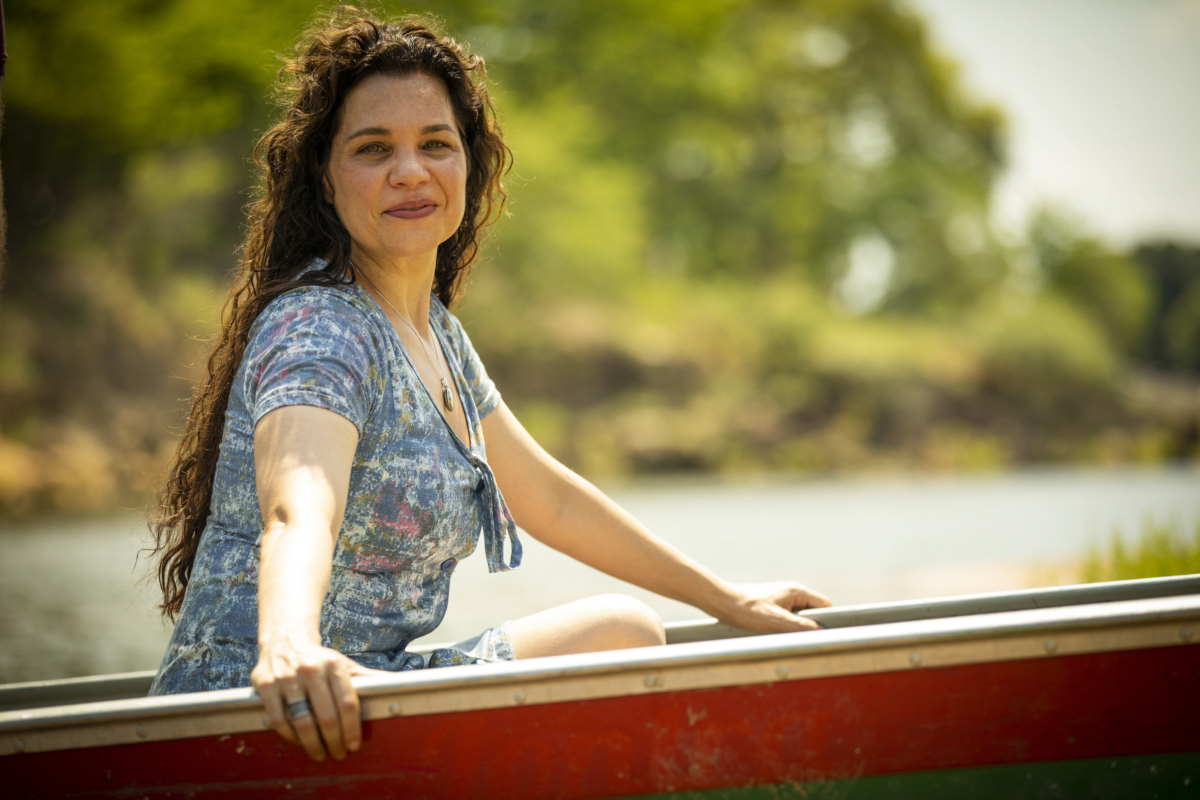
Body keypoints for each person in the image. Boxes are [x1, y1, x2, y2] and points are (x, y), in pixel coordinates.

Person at [148, 7, 831, 763]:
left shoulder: (434, 332)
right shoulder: (321, 327)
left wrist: (728, 599)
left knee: (621, 631)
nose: (410, 170)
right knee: (622, 634)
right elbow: (297, 503)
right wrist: (288, 645)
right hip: (266, 706)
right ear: (325, 175)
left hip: (369, 689)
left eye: (434, 145)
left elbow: (553, 500)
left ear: (468, 166)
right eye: (374, 149)